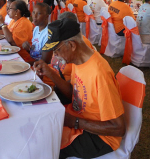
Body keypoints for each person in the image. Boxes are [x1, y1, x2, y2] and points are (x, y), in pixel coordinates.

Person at [34, 18, 125, 159]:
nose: (54, 55)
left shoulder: (100, 74)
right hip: (79, 120)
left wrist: (75, 122)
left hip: (99, 137)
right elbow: (74, 93)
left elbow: (118, 128)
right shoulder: (78, 60)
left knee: (43, 146)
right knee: (36, 128)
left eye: (56, 50)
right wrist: (50, 73)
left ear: (71, 45)